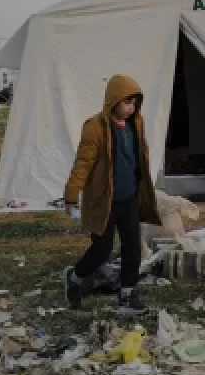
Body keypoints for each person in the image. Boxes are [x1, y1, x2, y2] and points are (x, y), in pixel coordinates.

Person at [62, 75, 161, 314]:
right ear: (113, 101)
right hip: (104, 201)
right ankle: (74, 279)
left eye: (134, 103)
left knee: (132, 248)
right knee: (102, 250)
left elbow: (140, 157)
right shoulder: (95, 127)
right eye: (127, 102)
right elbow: (83, 163)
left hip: (129, 198)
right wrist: (71, 194)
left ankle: (127, 295)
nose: (131, 107)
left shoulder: (136, 123)